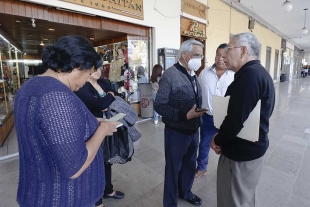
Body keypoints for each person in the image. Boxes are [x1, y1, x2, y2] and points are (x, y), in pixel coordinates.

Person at [14, 35, 119, 207]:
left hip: (38, 192)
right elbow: (74, 166)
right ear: (78, 66)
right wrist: (103, 130)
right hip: (61, 198)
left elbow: (48, 130)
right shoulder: (56, 95)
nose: (86, 81)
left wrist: (91, 121)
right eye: (88, 72)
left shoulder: (30, 86)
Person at [211, 33, 275, 207]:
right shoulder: (259, 73)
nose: (225, 54)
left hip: (241, 154)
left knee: (233, 201)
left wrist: (218, 140)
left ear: (243, 51)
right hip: (251, 149)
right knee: (244, 198)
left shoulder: (249, 76)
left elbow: (235, 119)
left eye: (229, 49)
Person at [155, 39, 206, 207]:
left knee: (189, 166)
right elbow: (160, 105)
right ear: (184, 55)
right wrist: (184, 116)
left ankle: (186, 192)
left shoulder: (193, 74)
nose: (200, 59)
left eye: (201, 55)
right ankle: (170, 203)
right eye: (197, 55)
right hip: (176, 133)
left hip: (193, 131)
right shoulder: (170, 75)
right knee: (173, 169)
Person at [75, 66, 125, 207]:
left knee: (107, 160)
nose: (97, 70)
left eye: (99, 67)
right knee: (94, 164)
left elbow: (115, 95)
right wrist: (107, 98)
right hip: (93, 129)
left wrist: (107, 100)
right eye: (93, 68)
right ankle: (97, 201)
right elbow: (99, 104)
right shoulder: (83, 86)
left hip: (108, 125)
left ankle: (107, 189)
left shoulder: (103, 82)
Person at [195, 43, 234, 180]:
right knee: (204, 144)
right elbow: (198, 93)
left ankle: (227, 172)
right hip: (208, 117)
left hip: (227, 119)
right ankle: (202, 168)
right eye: (218, 55)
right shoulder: (205, 73)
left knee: (227, 146)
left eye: (224, 56)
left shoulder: (234, 75)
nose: (220, 59)